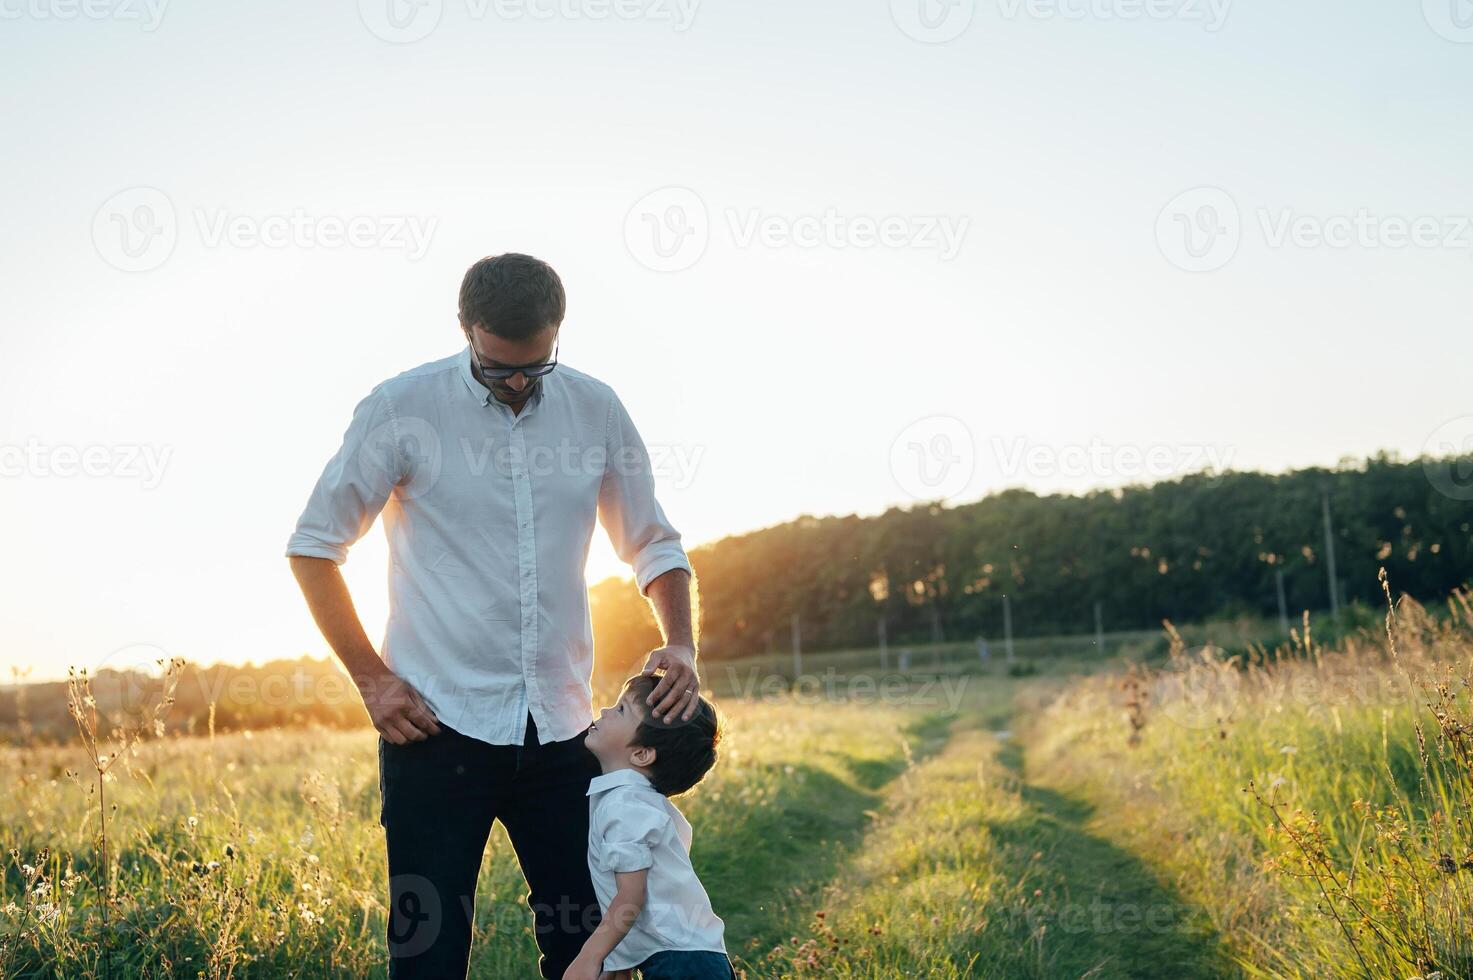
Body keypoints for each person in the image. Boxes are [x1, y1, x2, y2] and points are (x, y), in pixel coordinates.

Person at [285, 253, 704, 979]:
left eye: (535, 368)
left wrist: (682, 643)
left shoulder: (597, 409)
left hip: (567, 734)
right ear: (465, 332)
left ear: (556, 336)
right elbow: (314, 547)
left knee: (590, 949)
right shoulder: (400, 408)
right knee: (428, 955)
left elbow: (652, 543)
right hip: (435, 729)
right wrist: (372, 681)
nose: (516, 384)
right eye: (497, 368)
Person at [566, 674, 733, 980]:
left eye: (620, 711)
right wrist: (619, 965)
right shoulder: (644, 803)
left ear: (641, 754)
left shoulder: (624, 806)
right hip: (693, 958)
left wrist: (589, 958)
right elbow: (652, 895)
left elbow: (630, 898)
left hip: (681, 965)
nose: (604, 711)